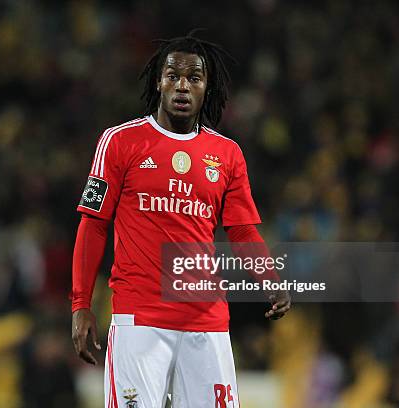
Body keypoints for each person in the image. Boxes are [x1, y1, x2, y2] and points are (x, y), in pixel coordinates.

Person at [70, 32, 291, 408]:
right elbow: (93, 224)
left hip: (206, 320)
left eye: (194, 77)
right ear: (158, 81)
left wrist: (268, 278)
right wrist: (81, 304)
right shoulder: (119, 142)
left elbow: (241, 230)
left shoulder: (227, 154)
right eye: (173, 75)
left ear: (208, 87)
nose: (182, 86)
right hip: (139, 320)